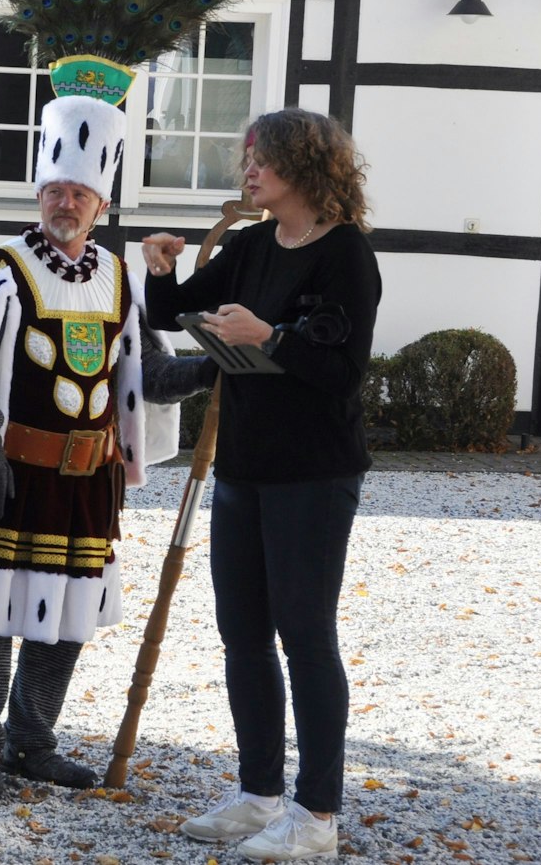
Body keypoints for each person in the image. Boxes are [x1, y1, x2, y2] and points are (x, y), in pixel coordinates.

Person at [0, 94, 214, 800]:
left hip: (89, 480)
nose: (65, 202)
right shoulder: (0, 267)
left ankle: (32, 740)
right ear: (39, 192)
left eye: (79, 192)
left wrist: (214, 367)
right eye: (55, 190)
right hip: (11, 471)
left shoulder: (118, 279)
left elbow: (146, 375)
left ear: (101, 203)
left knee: (66, 620)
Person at [140, 107, 380, 862]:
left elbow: (343, 370)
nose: (248, 173)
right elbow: (169, 312)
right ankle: (258, 794)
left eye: (260, 160)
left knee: (306, 634)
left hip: (314, 472)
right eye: (247, 159)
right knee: (242, 632)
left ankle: (317, 815)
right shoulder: (249, 246)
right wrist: (161, 267)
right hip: (242, 466)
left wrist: (269, 336)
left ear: (304, 168)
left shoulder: (346, 254)